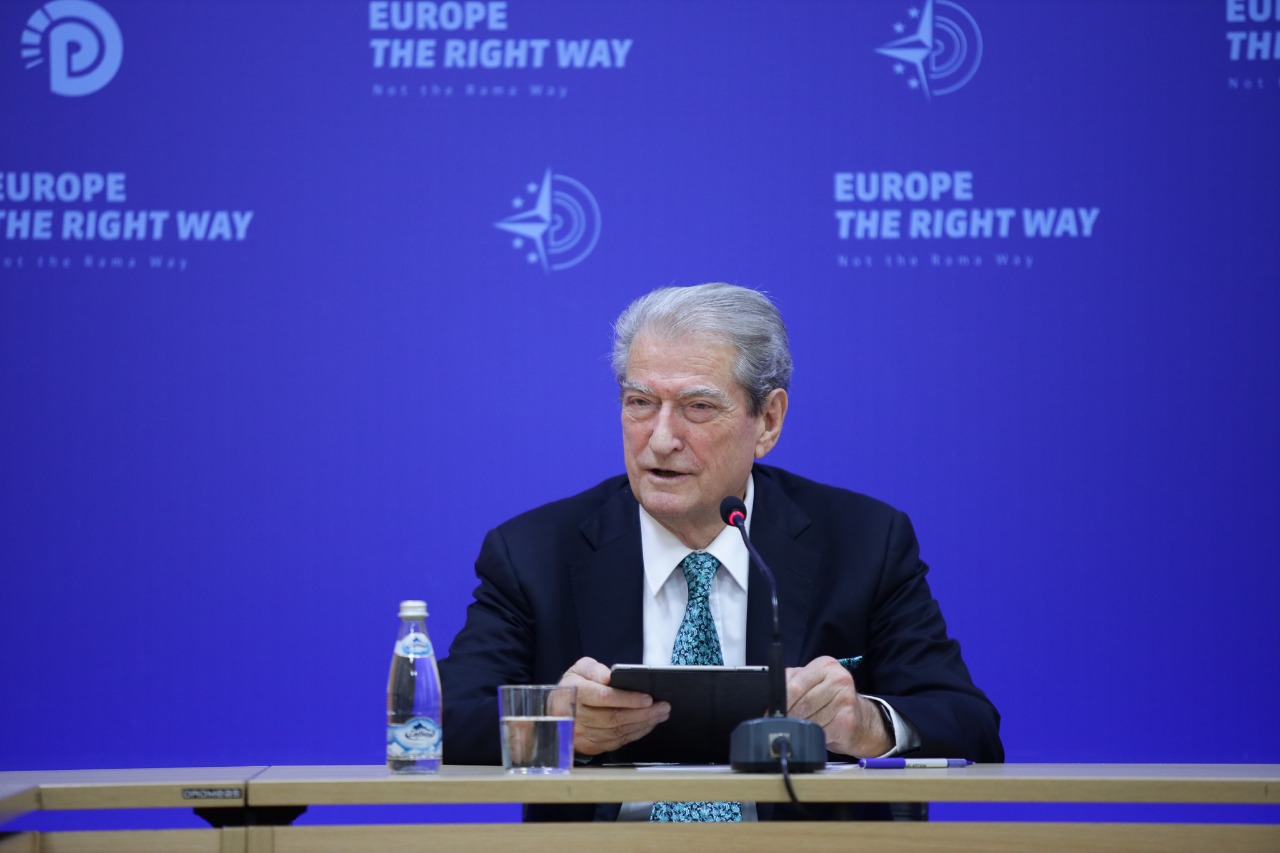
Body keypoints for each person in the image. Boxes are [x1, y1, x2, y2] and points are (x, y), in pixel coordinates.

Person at [438, 282, 1002, 821]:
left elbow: (968, 723)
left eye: (698, 408)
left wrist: (865, 724)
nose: (661, 439)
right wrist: (553, 722)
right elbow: (442, 721)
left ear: (768, 421)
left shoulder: (863, 541)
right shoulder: (534, 552)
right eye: (640, 402)